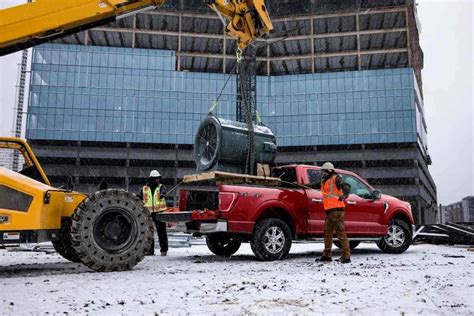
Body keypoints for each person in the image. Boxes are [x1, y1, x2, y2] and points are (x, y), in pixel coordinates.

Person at [317, 162, 352, 264]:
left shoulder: (336, 178)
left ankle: (346, 256)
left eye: (324, 171)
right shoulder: (324, 181)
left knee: (340, 233)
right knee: (327, 233)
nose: (322, 173)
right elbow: (313, 185)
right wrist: (302, 185)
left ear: (329, 171)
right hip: (329, 211)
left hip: (337, 210)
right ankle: (327, 255)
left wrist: (345, 194)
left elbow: (346, 186)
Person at [138, 170, 168, 256]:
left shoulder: (161, 187)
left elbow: (164, 191)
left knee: (162, 232)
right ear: (152, 179)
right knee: (149, 233)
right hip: (148, 213)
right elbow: (139, 197)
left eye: (159, 178)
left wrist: (162, 194)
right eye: (156, 178)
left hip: (159, 212)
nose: (158, 180)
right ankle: (150, 250)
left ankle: (164, 250)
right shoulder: (144, 188)